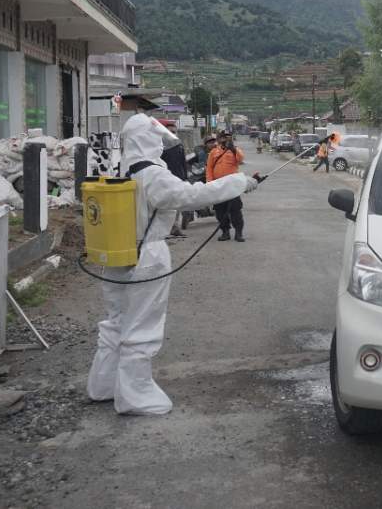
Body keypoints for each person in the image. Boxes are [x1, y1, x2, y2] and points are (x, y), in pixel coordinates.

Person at [87, 113, 259, 415]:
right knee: (142, 325)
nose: (159, 144)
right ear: (148, 140)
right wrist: (239, 182)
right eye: (156, 138)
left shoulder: (121, 168)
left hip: (117, 253)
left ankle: (103, 385)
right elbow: (190, 195)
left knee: (117, 321)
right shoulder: (153, 174)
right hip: (147, 256)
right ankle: (135, 396)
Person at [206, 131, 247, 242]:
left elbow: (241, 159)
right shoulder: (214, 152)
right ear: (219, 139)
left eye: (228, 137)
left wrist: (233, 149)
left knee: (235, 210)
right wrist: (210, 182)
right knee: (220, 211)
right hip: (218, 186)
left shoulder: (235, 150)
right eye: (223, 137)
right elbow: (209, 168)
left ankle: (238, 233)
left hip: (232, 186)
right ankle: (225, 232)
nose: (225, 139)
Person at [161, 123, 188, 236]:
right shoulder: (160, 147)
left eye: (174, 132)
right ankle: (167, 227)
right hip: (166, 179)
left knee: (177, 204)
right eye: (170, 132)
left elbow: (183, 162)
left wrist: (185, 177)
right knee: (167, 204)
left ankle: (175, 226)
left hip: (179, 178)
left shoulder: (179, 145)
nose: (172, 134)